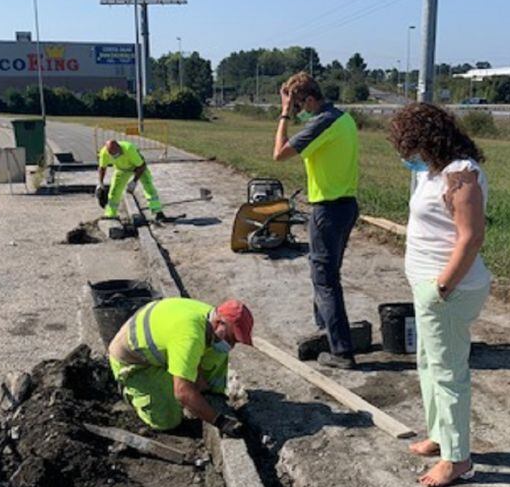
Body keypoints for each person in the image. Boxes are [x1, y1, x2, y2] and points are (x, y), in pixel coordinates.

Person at [387, 103, 490, 487]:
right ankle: (439, 434)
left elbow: (471, 237)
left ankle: (457, 458)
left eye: (409, 146)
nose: (406, 155)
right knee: (428, 361)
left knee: (448, 372)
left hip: (448, 289)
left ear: (427, 141)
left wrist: (442, 287)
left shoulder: (461, 176)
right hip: (429, 287)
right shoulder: (435, 172)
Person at [272, 72, 360, 370]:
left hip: (329, 209)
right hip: (346, 205)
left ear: (309, 99)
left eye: (299, 106)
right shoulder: (343, 118)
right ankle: (326, 329)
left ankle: (341, 351)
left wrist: (283, 115)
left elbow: (279, 154)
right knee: (326, 273)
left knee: (324, 279)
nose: (298, 112)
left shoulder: (323, 122)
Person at [108, 297, 253, 436]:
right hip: (135, 361)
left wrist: (206, 395)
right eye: (230, 338)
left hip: (166, 339)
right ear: (219, 322)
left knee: (218, 354)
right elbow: (182, 392)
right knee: (168, 420)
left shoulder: (211, 319)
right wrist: (220, 422)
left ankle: (207, 398)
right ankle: (131, 391)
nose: (231, 345)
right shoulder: (190, 337)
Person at [98, 139, 165, 221]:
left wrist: (134, 181)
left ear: (119, 148)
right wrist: (100, 182)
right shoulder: (104, 152)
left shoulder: (129, 149)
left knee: (148, 186)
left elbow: (141, 166)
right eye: (112, 154)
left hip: (137, 167)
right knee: (114, 190)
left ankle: (158, 212)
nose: (115, 156)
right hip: (121, 169)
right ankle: (111, 214)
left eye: (116, 153)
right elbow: (102, 167)